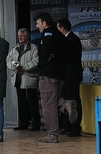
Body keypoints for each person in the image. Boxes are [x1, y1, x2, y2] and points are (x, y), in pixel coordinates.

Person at [34, 12, 78, 144]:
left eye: (38, 23)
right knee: (54, 100)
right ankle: (65, 105)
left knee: (48, 105)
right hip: (61, 74)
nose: (37, 26)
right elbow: (70, 51)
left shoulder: (48, 35)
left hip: (48, 74)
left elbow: (45, 52)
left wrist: (45, 60)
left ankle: (52, 134)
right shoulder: (60, 35)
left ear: (45, 24)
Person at [7, 28, 40, 131]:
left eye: (22, 36)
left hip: (29, 78)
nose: (20, 38)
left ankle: (35, 123)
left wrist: (24, 67)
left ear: (27, 36)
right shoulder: (16, 48)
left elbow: (36, 61)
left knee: (32, 102)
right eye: (19, 36)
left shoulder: (33, 47)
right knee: (21, 102)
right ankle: (23, 123)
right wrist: (14, 67)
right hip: (18, 78)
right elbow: (9, 59)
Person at [57, 19, 83, 137]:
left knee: (74, 101)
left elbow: (70, 57)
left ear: (62, 28)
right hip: (65, 75)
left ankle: (75, 127)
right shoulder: (67, 40)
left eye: (58, 28)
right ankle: (66, 125)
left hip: (72, 75)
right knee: (65, 101)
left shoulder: (72, 39)